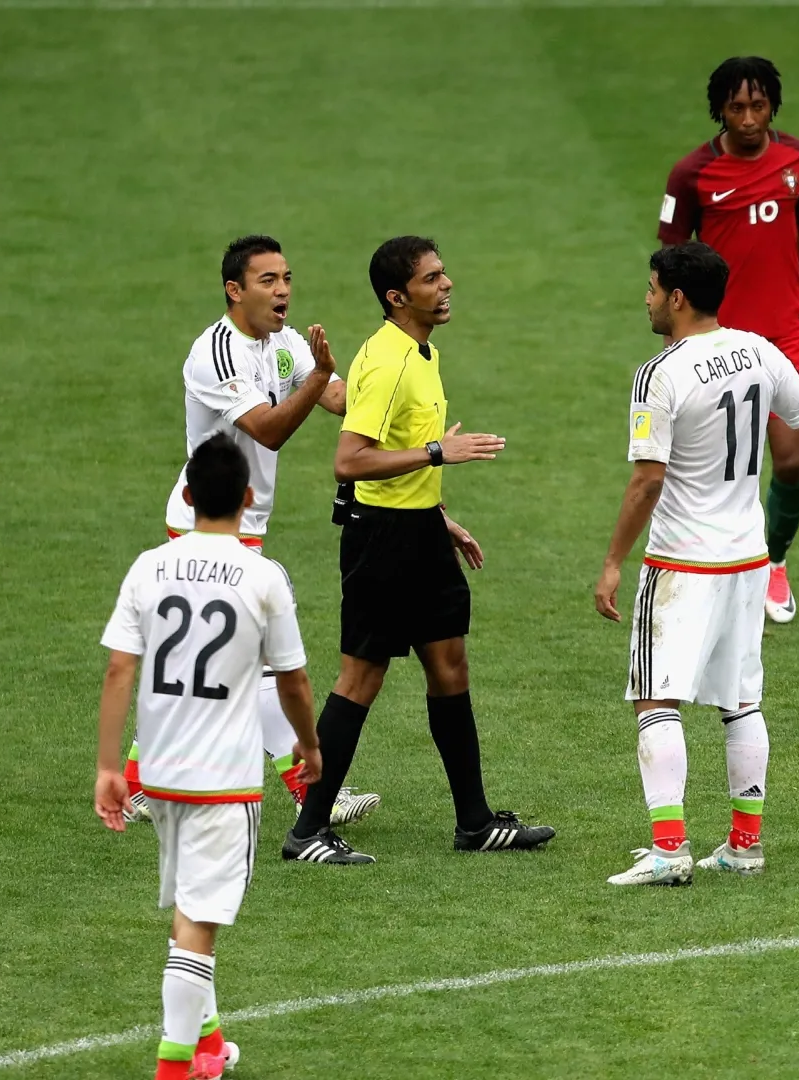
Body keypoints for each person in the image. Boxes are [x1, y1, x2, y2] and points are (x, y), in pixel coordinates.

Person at [594, 243, 799, 886]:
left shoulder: (660, 374)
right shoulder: (758, 349)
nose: (645, 297)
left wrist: (613, 561)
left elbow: (646, 482)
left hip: (683, 563)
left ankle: (670, 851)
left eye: (651, 287)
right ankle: (744, 844)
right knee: (742, 700)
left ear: (678, 297)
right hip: (750, 557)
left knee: (655, 699)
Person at [283, 236, 554, 865]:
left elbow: (399, 452)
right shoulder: (386, 362)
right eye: (432, 278)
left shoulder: (422, 351)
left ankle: (476, 823)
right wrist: (438, 454)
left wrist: (440, 516)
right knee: (361, 678)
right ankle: (308, 831)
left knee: (449, 667)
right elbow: (348, 460)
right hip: (382, 543)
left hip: (420, 533)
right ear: (397, 296)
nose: (447, 283)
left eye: (443, 272)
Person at [124, 235, 378, 828]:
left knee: (203, 662)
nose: (283, 289)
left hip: (245, 524)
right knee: (259, 659)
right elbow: (267, 429)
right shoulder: (215, 352)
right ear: (235, 290)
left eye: (286, 277)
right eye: (268, 280)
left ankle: (138, 781)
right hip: (205, 524)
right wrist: (319, 380)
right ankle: (310, 787)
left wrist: (387, 385)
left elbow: (338, 396)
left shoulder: (283, 344)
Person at [96, 433, 324, 1080]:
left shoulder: (149, 565)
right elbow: (294, 681)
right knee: (199, 927)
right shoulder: (263, 576)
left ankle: (207, 1048)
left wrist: (111, 768)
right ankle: (174, 1069)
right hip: (222, 783)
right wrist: (308, 748)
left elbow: (119, 669)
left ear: (188, 496)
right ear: (249, 500)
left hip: (162, 776)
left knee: (188, 913)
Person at [658, 56, 799, 625]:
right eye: (737, 107)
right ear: (720, 110)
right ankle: (715, 562)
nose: (749, 118)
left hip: (784, 329)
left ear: (773, 105)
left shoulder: (796, 158)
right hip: (717, 335)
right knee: (713, 461)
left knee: (791, 459)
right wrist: (671, 340)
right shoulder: (691, 175)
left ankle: (773, 563)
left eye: (758, 106)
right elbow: (669, 261)